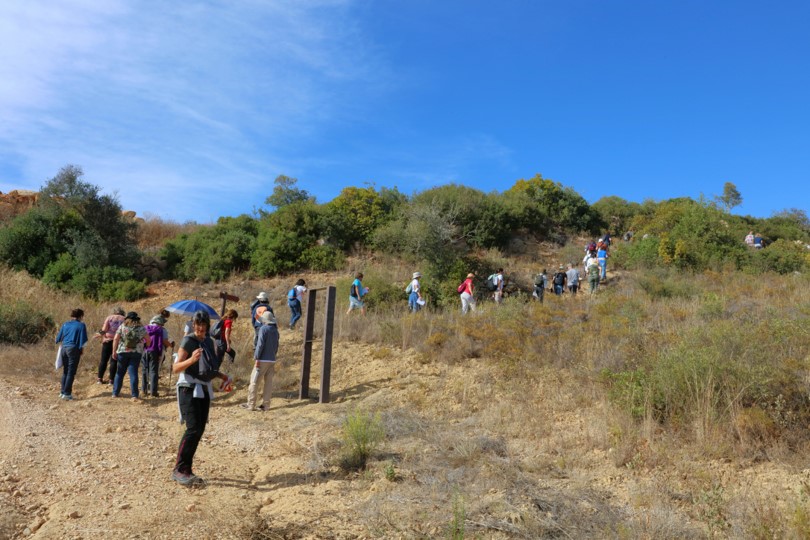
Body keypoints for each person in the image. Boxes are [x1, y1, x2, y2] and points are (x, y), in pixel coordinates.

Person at [171, 310, 232, 486]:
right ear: (193, 324)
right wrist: (191, 360)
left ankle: (186, 469)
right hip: (188, 388)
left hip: (203, 388)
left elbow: (208, 368)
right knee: (192, 428)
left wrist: (222, 376)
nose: (200, 328)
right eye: (198, 325)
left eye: (203, 325)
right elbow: (176, 368)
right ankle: (179, 469)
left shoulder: (207, 341)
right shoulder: (188, 340)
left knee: (199, 429)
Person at [242, 311, 279, 411]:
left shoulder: (263, 329)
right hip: (272, 359)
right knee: (268, 383)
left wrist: (257, 358)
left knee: (254, 381)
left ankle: (251, 404)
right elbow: (276, 346)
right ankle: (266, 405)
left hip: (262, 359)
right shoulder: (275, 330)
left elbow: (260, 344)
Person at [112, 311, 150, 401]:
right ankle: (134, 395)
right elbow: (148, 340)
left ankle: (115, 393)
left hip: (122, 351)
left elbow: (116, 339)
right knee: (133, 373)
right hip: (136, 353)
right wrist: (145, 347)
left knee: (120, 373)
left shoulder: (122, 326)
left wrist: (114, 351)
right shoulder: (141, 328)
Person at [55, 308, 88, 401]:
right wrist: (81, 349)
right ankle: (67, 393)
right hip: (73, 349)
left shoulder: (65, 324)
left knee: (65, 371)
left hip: (64, 348)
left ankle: (62, 392)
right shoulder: (81, 325)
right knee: (71, 372)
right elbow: (83, 340)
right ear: (81, 316)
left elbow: (58, 337)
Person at [142, 315, 171, 398]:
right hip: (154, 351)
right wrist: (159, 354)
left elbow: (141, 339)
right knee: (154, 371)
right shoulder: (160, 329)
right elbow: (159, 342)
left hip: (145, 351)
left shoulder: (145, 328)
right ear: (160, 323)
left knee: (145, 370)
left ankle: (144, 391)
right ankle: (153, 392)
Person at [95, 306, 125, 384]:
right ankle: (111, 380)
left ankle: (99, 379)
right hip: (118, 341)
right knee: (114, 360)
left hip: (107, 341)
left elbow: (104, 330)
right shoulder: (124, 319)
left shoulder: (109, 318)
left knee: (103, 360)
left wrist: (99, 334)